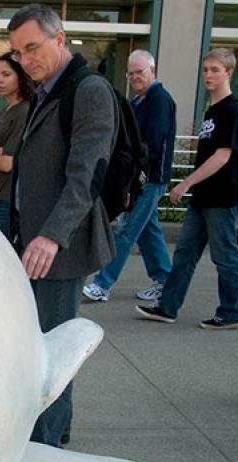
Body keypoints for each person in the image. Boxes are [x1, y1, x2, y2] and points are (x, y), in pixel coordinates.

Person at [8, 3, 117, 447]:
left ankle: (46, 450)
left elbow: (87, 176)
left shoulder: (87, 90)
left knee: (51, 354)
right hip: (37, 240)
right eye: (18, 53)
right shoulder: (48, 89)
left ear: (59, 38)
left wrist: (52, 235)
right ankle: (51, 435)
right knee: (39, 344)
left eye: (32, 48)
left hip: (61, 247)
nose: (25, 60)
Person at [136, 48, 238, 329]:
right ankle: (168, 307)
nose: (208, 75)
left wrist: (186, 182)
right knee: (184, 254)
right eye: (206, 69)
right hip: (203, 198)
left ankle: (231, 313)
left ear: (229, 73)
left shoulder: (232, 109)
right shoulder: (212, 110)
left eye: (215, 70)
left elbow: (223, 155)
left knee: (225, 257)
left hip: (223, 198)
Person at [82, 49, 174, 304]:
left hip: (150, 178)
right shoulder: (139, 101)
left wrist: (138, 174)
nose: (134, 77)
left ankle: (102, 283)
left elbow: (152, 144)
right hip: (140, 177)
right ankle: (166, 279)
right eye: (130, 73)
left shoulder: (159, 101)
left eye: (139, 72)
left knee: (126, 229)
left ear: (152, 71)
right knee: (147, 230)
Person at [0, 52, 32, 239]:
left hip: (11, 198)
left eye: (6, 74)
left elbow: (8, 163)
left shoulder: (25, 111)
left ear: (20, 76)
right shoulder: (4, 112)